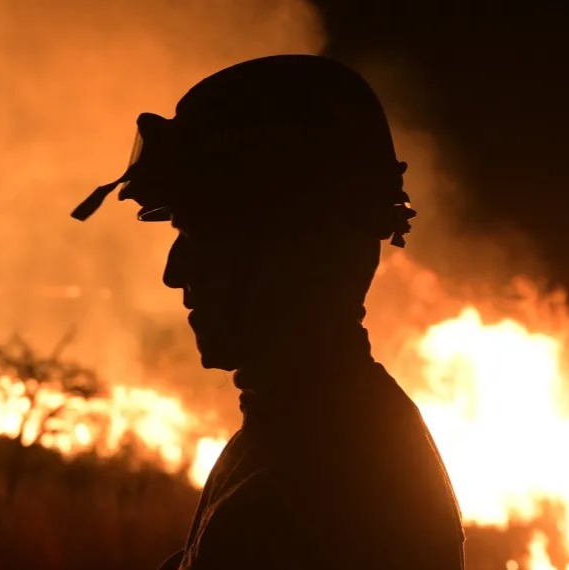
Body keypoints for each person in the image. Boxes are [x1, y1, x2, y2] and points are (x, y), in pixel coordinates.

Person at [73, 55, 465, 569]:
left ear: (299, 248)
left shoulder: (313, 486)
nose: (175, 272)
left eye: (202, 234)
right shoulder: (306, 431)